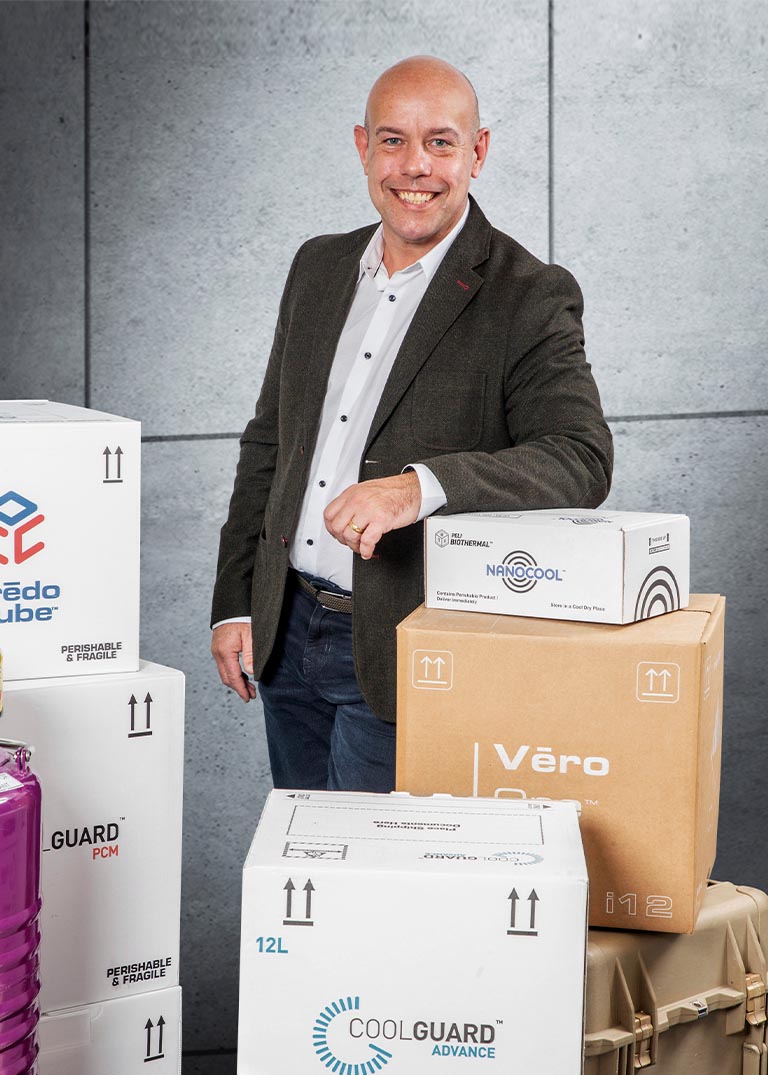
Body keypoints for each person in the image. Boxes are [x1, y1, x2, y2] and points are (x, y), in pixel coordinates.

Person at [211, 55, 613, 793]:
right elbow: (270, 439)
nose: (415, 166)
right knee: (306, 854)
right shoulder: (317, 267)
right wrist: (236, 601)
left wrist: (417, 488)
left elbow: (580, 458)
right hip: (284, 629)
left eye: (440, 142)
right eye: (393, 140)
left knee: (372, 865)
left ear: (477, 152)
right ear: (362, 147)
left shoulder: (528, 294)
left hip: (406, 644)